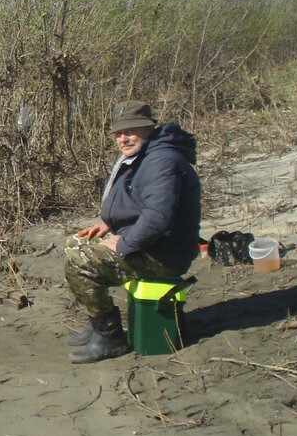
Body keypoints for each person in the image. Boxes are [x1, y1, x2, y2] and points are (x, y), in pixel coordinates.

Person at [64, 100, 201, 364]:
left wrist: (123, 243)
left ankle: (109, 335)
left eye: (131, 131)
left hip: (164, 254)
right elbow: (137, 202)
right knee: (74, 243)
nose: (123, 138)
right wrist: (109, 226)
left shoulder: (162, 162)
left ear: (149, 128)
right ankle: (97, 323)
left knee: (81, 264)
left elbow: (158, 218)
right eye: (118, 133)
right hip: (150, 243)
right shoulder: (144, 156)